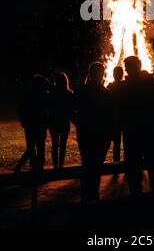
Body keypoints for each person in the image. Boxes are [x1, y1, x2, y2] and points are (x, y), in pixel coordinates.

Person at [120, 56, 154, 194]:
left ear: (133, 67)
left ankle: (138, 195)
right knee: (153, 165)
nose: (125, 69)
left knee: (135, 166)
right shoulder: (153, 83)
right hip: (150, 130)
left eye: (127, 66)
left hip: (136, 132)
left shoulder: (127, 86)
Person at [75, 62, 114, 202]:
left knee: (87, 163)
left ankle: (87, 195)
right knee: (97, 165)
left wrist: (79, 123)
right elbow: (111, 117)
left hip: (86, 133)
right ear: (102, 74)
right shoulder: (106, 93)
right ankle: (93, 194)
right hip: (100, 136)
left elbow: (74, 111)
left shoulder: (80, 91)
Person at [18, 74, 50, 170]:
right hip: (40, 123)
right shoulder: (44, 94)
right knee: (40, 145)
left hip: (30, 123)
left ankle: (32, 165)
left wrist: (23, 120)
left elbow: (20, 108)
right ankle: (39, 165)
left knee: (31, 145)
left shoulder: (27, 94)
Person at [49, 72, 74, 169]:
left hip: (54, 121)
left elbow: (49, 107)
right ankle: (61, 166)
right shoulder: (69, 93)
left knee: (55, 144)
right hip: (64, 122)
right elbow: (71, 109)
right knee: (63, 145)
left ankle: (55, 166)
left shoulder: (52, 93)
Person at [107, 66, 124, 162]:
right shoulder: (125, 86)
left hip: (114, 118)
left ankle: (116, 162)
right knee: (119, 142)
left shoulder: (110, 87)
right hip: (122, 118)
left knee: (116, 143)